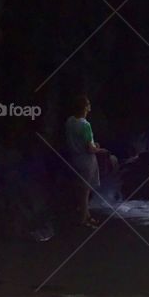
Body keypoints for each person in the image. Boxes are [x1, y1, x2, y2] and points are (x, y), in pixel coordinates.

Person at [65, 95, 106, 228]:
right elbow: (90, 148)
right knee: (85, 191)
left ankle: (87, 215)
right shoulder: (85, 125)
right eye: (88, 105)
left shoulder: (70, 121)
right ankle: (83, 219)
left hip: (74, 158)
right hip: (86, 161)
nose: (90, 107)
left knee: (80, 188)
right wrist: (100, 149)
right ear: (84, 108)